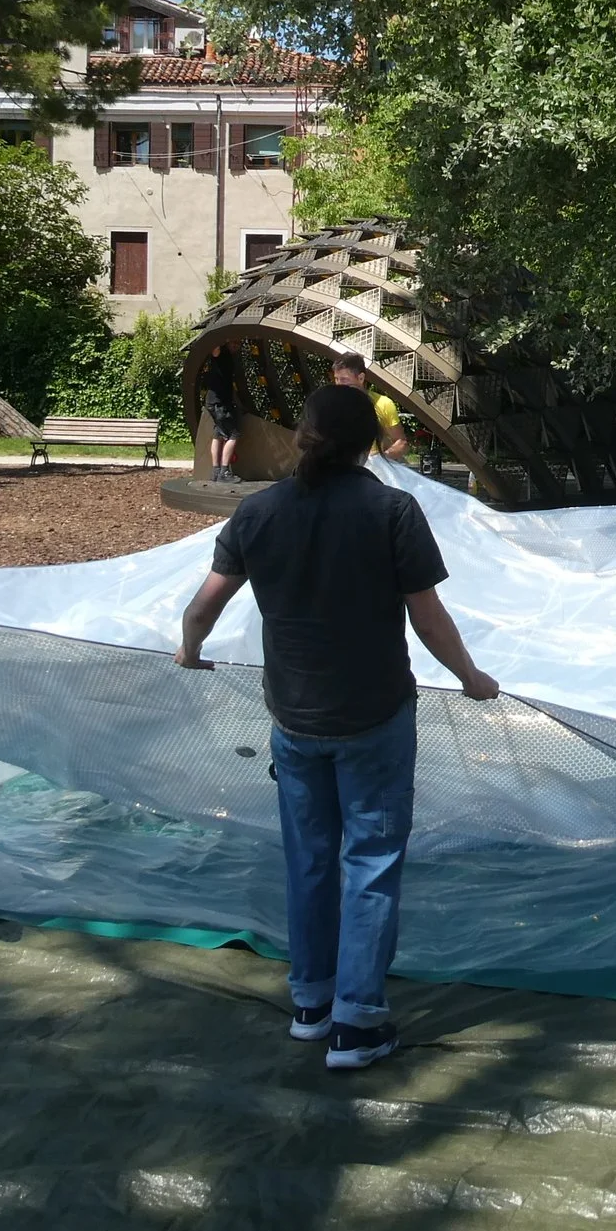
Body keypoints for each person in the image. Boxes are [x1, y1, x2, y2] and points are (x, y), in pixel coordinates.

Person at [175, 385, 498, 1070]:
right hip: (375, 714)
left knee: (311, 858)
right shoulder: (391, 510)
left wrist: (190, 647)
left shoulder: (259, 512)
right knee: (371, 859)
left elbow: (204, 604)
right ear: (368, 447)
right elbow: (428, 617)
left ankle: (311, 1003)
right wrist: (471, 677)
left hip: (294, 719)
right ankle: (356, 1022)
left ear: (303, 436)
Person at [329, 351, 410, 461]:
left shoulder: (383, 404)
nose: (339, 384)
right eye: (336, 379)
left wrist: (380, 461)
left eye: (344, 379)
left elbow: (401, 443)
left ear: (361, 378)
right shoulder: (330, 405)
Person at [200, 347, 243, 482]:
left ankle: (216, 471)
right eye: (234, 342)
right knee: (234, 434)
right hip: (219, 403)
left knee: (218, 433)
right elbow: (215, 349)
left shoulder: (226, 356)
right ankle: (224, 472)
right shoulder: (220, 353)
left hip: (214, 402)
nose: (238, 344)